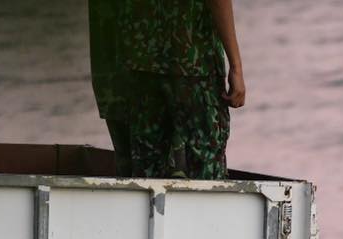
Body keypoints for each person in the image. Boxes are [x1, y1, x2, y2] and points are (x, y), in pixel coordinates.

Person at [89, 0, 245, 179]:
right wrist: (236, 66)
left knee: (147, 169)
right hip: (193, 63)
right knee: (205, 166)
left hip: (142, 63)